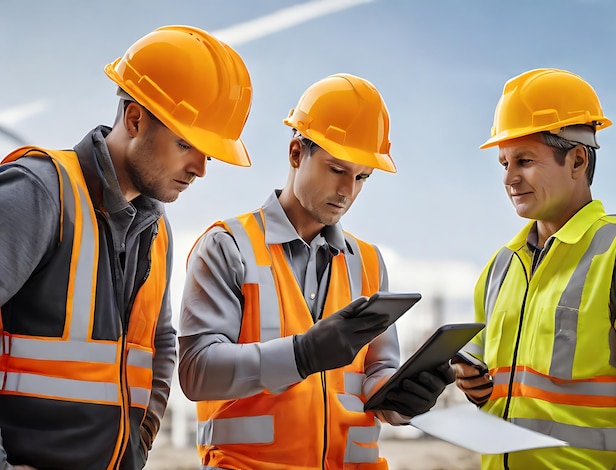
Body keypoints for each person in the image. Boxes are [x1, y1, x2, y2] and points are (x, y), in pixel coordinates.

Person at [0, 25, 253, 469]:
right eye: (186, 145)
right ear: (134, 119)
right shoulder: (39, 193)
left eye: (209, 154)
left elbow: (159, 342)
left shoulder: (157, 230)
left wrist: (139, 444)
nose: (200, 169)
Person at [178, 73, 454, 469]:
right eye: (336, 169)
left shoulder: (369, 262)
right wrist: (302, 354)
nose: (348, 191)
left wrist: (402, 400)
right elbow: (197, 372)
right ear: (295, 153)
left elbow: (377, 372)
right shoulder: (228, 246)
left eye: (362, 177)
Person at [451, 68, 616, 469]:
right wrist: (473, 384)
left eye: (525, 161)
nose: (510, 178)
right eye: (504, 163)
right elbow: (492, 384)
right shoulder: (500, 267)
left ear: (577, 159)